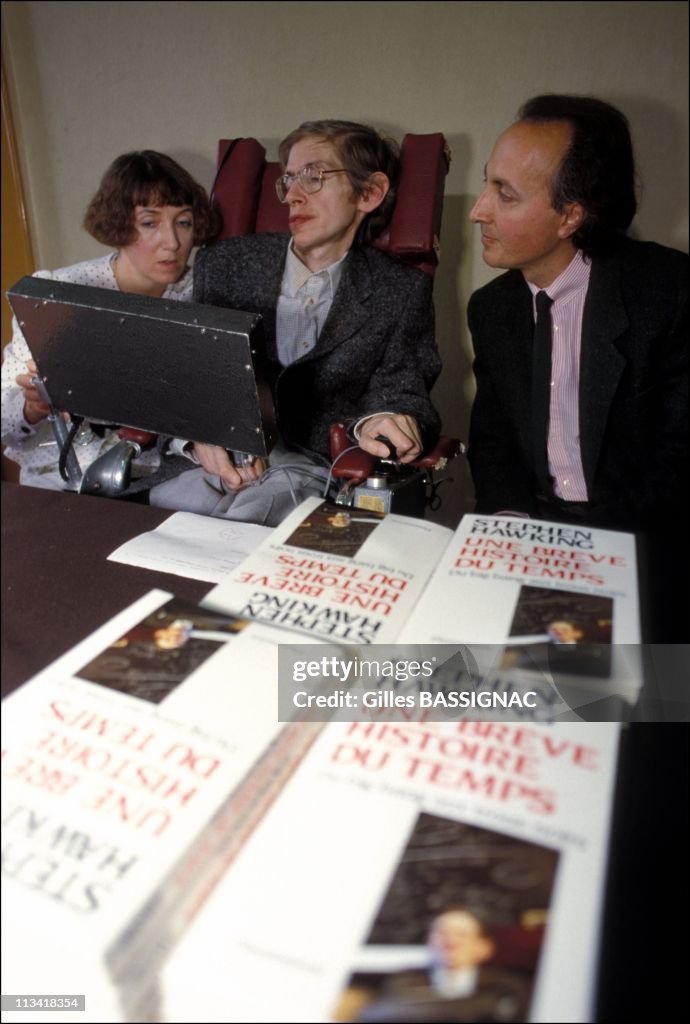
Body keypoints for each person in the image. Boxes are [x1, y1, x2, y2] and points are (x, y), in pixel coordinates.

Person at [149, 119, 441, 525]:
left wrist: (381, 420)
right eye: (288, 181)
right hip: (212, 463)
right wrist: (195, 440)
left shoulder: (401, 290)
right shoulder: (224, 264)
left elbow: (405, 396)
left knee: (245, 534)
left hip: (313, 471)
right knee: (162, 521)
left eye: (314, 176)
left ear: (369, 193)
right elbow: (185, 377)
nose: (293, 196)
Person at [467, 95, 688, 536]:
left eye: (504, 194)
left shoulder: (670, 293)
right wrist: (512, 528)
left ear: (570, 216)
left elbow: (677, 463)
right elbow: (496, 442)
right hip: (534, 530)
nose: (478, 211)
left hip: (646, 538)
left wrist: (595, 553)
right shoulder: (491, 308)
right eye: (487, 183)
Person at [1, 150, 216, 490]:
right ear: (118, 224)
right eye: (150, 223)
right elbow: (3, 423)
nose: (172, 242)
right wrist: (32, 408)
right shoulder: (57, 295)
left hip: (162, 477)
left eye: (183, 222)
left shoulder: (204, 294)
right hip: (61, 480)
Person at [352, 908, 531, 1023]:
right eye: (442, 933)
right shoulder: (401, 982)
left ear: (483, 948)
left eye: (461, 934)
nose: (450, 941)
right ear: (430, 942)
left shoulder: (508, 988)